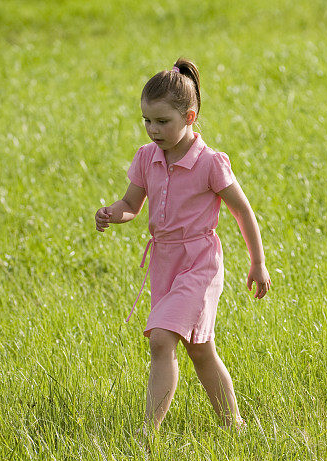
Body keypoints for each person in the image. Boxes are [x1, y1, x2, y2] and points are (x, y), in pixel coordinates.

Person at [95, 57, 271, 437]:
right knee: (200, 350)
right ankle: (234, 424)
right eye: (146, 120)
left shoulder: (210, 163)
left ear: (189, 117)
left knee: (161, 339)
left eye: (162, 121)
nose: (152, 130)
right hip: (165, 262)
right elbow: (131, 206)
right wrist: (113, 213)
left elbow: (242, 211)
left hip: (199, 264)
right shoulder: (147, 158)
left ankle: (147, 433)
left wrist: (258, 263)